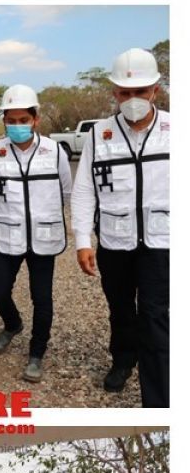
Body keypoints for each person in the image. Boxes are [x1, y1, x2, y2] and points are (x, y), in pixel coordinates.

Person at [71, 48, 169, 406]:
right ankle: (124, 359)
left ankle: (158, 401)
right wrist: (82, 239)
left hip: (162, 242)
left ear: (155, 90)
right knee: (121, 308)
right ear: (114, 92)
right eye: (124, 93)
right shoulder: (99, 135)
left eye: (140, 91)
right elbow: (84, 190)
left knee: (155, 316)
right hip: (114, 242)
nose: (132, 99)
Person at [0, 84, 72, 383]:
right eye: (11, 120)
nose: (17, 125)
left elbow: (65, 191)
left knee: (42, 299)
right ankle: (12, 324)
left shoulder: (54, 151)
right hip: (8, 235)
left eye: (23, 120)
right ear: (4, 121)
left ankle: (37, 353)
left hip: (44, 236)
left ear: (35, 120)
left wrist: (42, 214)